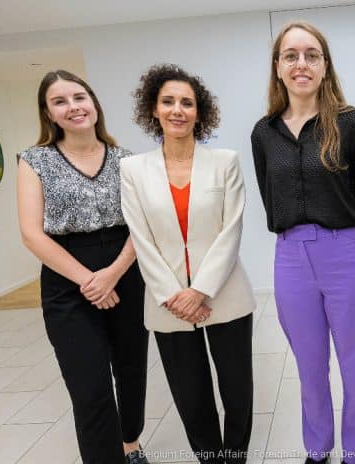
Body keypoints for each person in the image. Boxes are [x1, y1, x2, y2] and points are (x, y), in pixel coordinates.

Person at [251, 22, 355, 464]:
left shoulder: (350, 122)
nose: (301, 64)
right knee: (309, 369)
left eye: (311, 55)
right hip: (290, 257)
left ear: (325, 66)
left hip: (346, 253)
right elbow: (270, 197)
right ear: (278, 68)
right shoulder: (264, 133)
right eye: (291, 55)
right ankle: (318, 450)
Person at [122, 63, 255, 464]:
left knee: (237, 391)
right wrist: (174, 295)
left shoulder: (225, 162)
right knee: (191, 395)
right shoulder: (132, 170)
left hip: (225, 296)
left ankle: (235, 458)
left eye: (187, 102)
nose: (177, 109)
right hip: (168, 305)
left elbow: (231, 230)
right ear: (154, 110)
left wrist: (201, 290)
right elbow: (141, 239)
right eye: (168, 102)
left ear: (200, 111)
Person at [17, 70, 149, 464]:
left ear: (93, 103)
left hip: (126, 271)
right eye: (60, 102)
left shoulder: (126, 160)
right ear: (49, 114)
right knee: (89, 387)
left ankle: (130, 444)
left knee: (131, 373)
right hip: (66, 281)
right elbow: (31, 234)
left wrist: (113, 274)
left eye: (79, 97)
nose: (73, 107)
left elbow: (142, 224)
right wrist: (90, 280)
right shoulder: (34, 160)